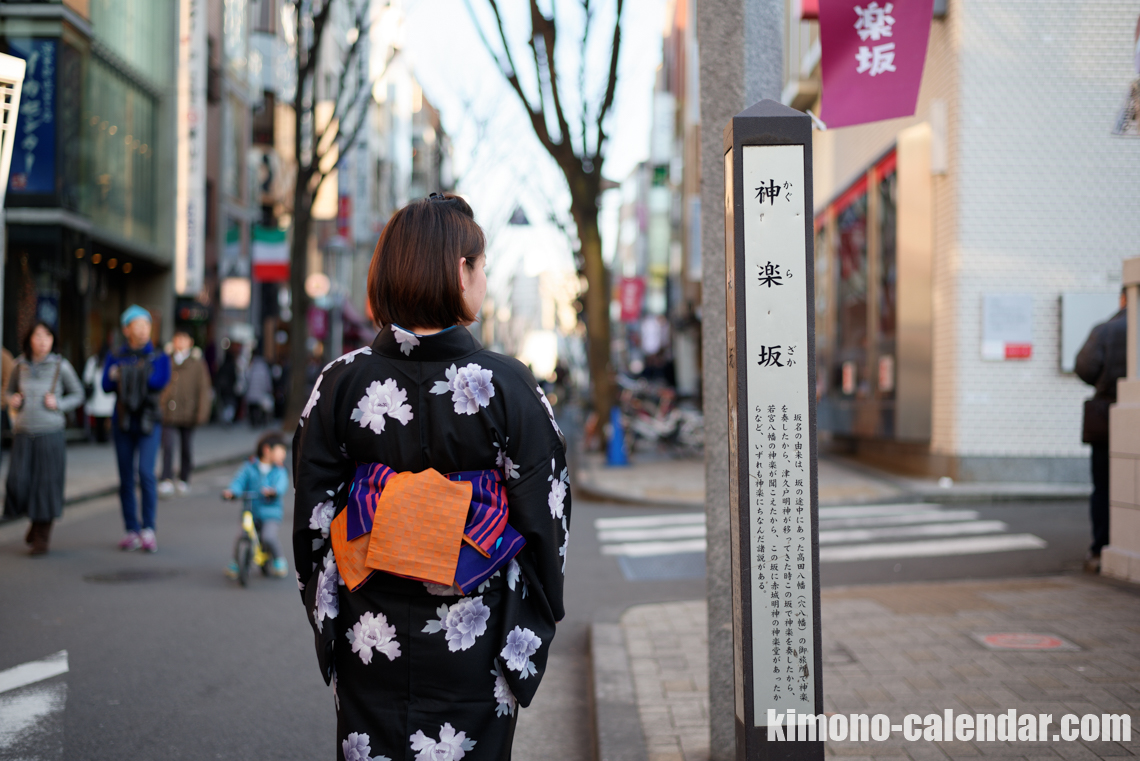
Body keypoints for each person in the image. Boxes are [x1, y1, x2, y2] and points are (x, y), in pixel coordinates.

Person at [293, 194, 570, 760]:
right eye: (482, 265)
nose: (485, 279)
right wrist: (522, 629)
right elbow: (546, 518)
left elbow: (314, 522)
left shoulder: (340, 383)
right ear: (459, 270)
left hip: (370, 634)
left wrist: (334, 613)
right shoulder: (507, 386)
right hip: (474, 631)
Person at [3, 322, 85, 555]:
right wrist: (13, 400)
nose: (42, 341)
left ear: (53, 340)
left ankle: (42, 536)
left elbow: (78, 394)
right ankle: (34, 520)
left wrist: (58, 404)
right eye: (38, 336)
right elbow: (8, 391)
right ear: (29, 339)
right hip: (23, 433)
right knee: (17, 482)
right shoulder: (19, 365)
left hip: (51, 433)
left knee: (46, 485)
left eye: (47, 336)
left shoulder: (61, 366)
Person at [103, 305, 171, 553]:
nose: (143, 330)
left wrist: (123, 374)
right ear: (126, 329)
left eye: (146, 325)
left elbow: (159, 381)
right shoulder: (115, 353)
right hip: (122, 422)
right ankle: (131, 528)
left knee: (146, 473)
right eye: (137, 325)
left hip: (149, 421)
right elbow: (105, 385)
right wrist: (122, 374)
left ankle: (148, 529)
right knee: (125, 477)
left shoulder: (159, 356)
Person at [1075, 289, 1128, 572]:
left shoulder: (1106, 330)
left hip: (1107, 418)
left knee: (1103, 485)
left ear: (1122, 298)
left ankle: (1100, 548)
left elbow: (1084, 368)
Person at [223, 432, 290, 578]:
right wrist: (232, 492)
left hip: (270, 512)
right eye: (281, 451)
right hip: (251, 510)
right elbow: (239, 481)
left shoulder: (279, 470)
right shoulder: (249, 466)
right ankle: (235, 562)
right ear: (267, 450)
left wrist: (274, 491)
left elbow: (282, 484)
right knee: (242, 534)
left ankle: (279, 559)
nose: (283, 455)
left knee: (269, 536)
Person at [159, 331, 213, 496]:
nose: (180, 342)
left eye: (184, 339)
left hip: (189, 410)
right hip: (168, 410)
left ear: (190, 342)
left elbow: (204, 389)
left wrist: (202, 412)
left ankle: (184, 478)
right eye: (177, 339)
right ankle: (166, 478)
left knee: (186, 447)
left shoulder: (197, 363)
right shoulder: (166, 359)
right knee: (167, 446)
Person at [82, 336, 117, 443]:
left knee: (99, 419)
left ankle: (99, 436)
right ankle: (107, 436)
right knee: (107, 417)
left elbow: (86, 378)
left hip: (97, 396)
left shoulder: (93, 361)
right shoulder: (111, 361)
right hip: (108, 396)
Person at [244, 350, 273, 428]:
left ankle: (253, 423)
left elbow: (246, 378)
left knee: (252, 409)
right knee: (260, 409)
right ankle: (260, 422)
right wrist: (268, 389)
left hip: (251, 392)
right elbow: (267, 380)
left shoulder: (251, 366)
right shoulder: (264, 367)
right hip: (261, 393)